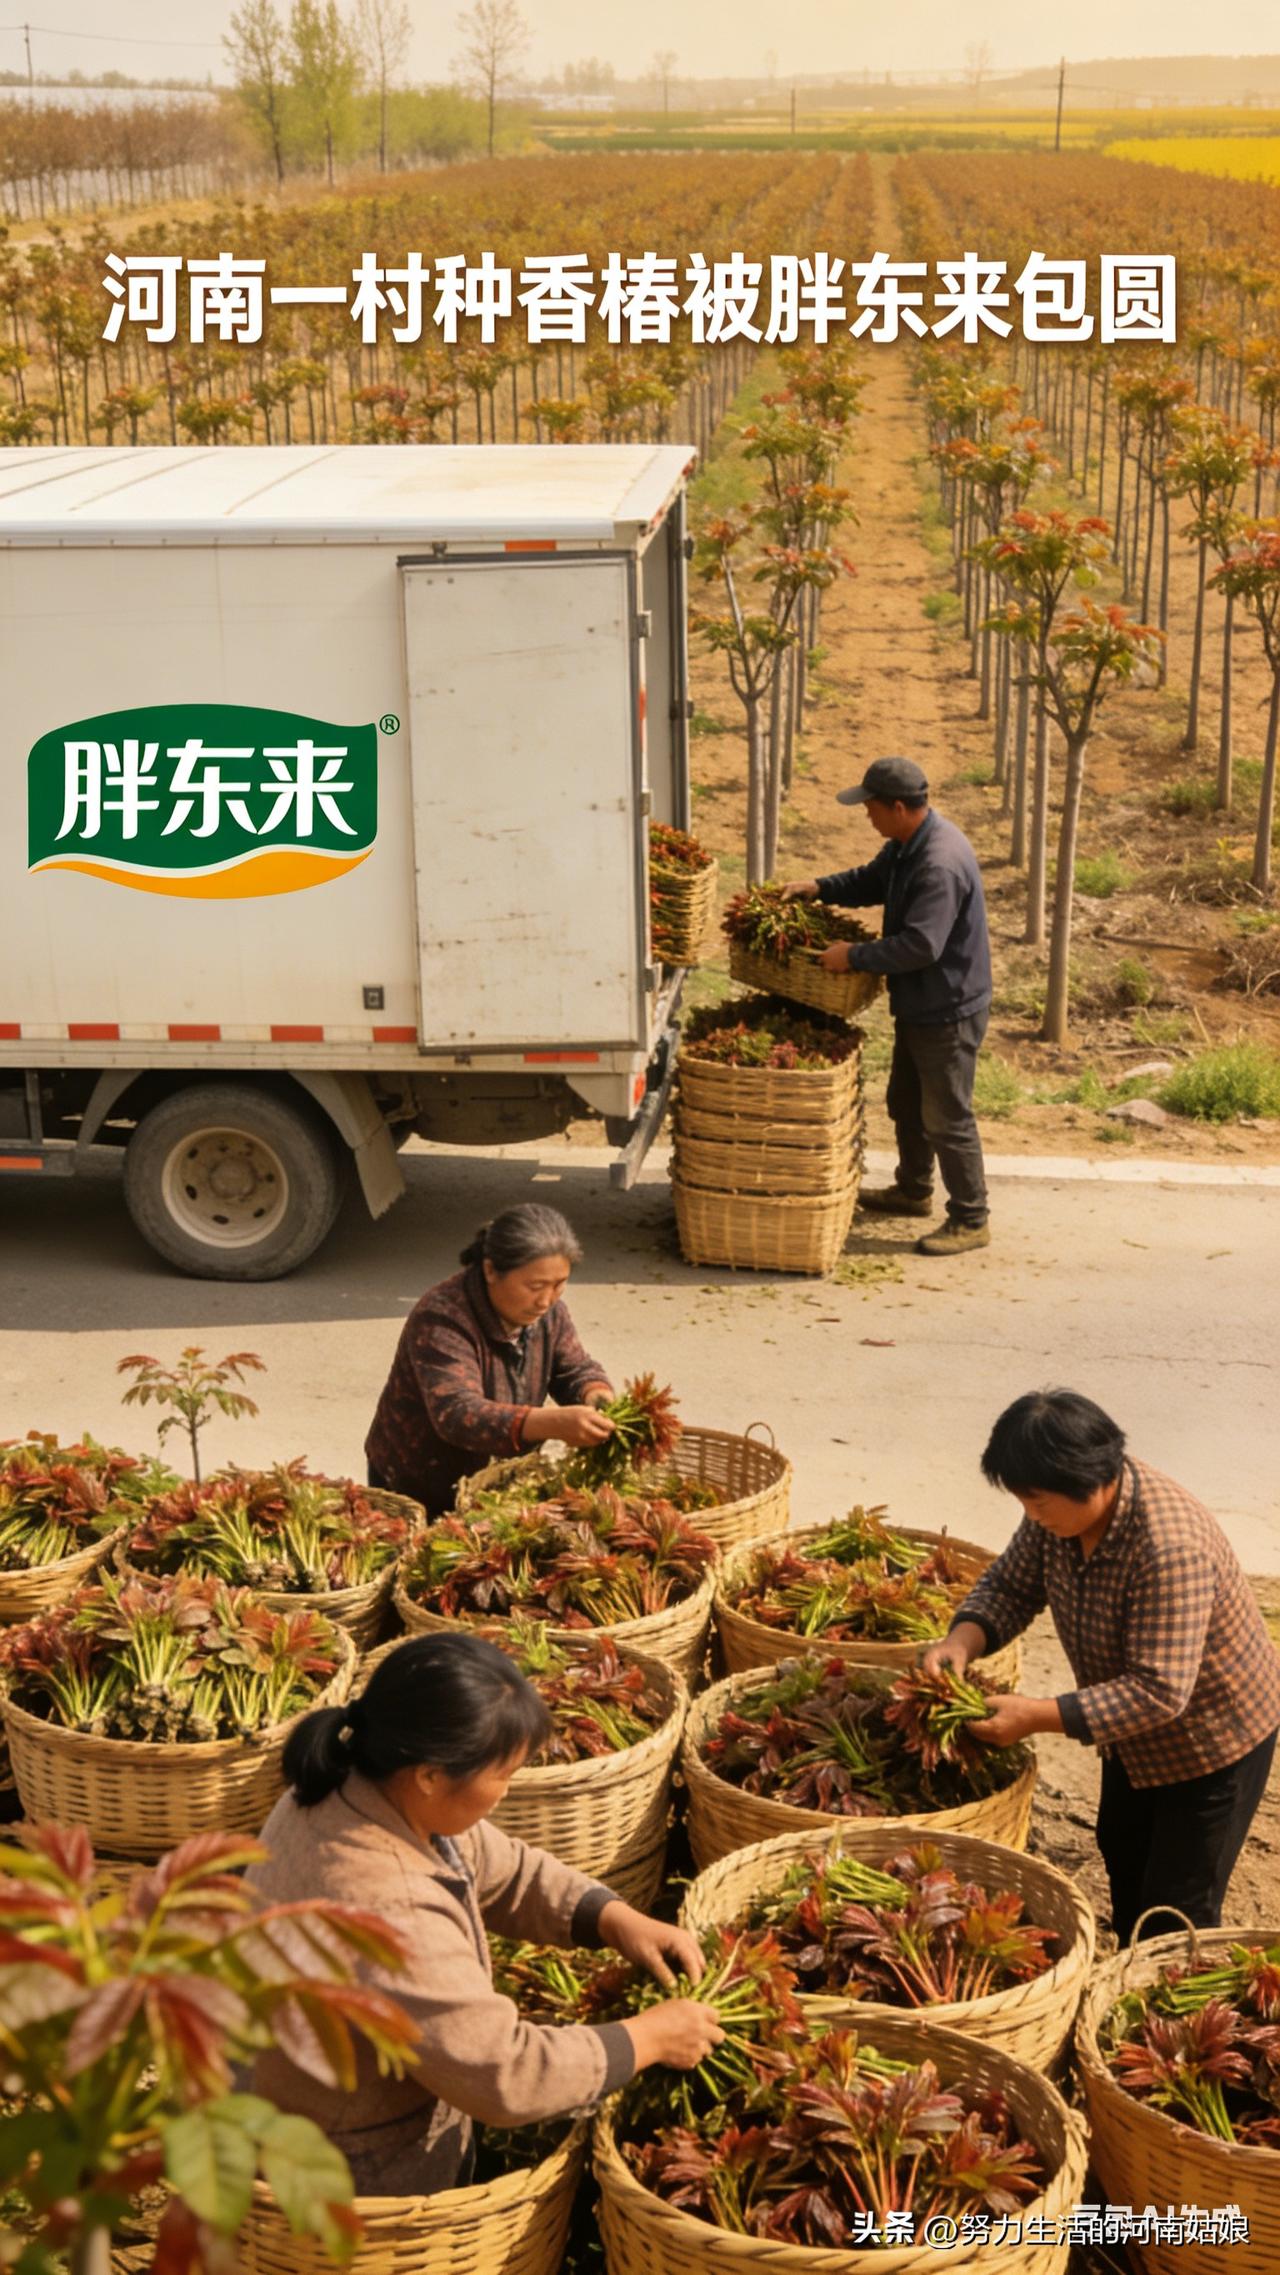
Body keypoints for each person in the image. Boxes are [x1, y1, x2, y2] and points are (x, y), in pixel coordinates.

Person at [248, 1631, 723, 2194]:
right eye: (503, 1774)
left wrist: (610, 1917)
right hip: (351, 2169)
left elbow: (504, 1868)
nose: (506, 1792)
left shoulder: (357, 1783)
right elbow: (505, 2075)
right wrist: (649, 2038)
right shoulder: (387, 1903)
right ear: (430, 1774)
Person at [922, 1390, 1280, 1944]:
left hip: (1212, 1741)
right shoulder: (1056, 1518)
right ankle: (1134, 1957)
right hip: (1131, 1734)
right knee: (1122, 1847)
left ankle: (1163, 1971)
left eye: (1037, 1502)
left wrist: (1035, 1716)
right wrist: (962, 1641)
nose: (1030, 1515)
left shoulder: (1168, 1546)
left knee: (1177, 1902)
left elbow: (1158, 1691)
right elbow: (1011, 1585)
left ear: (1087, 1480)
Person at [786, 755, 993, 1259]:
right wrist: (819, 888)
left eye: (871, 807)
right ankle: (913, 1190)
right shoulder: (906, 845)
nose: (867, 815)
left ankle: (971, 1218)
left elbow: (922, 945)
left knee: (947, 1116)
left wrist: (853, 956)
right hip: (921, 1003)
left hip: (947, 1008)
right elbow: (870, 880)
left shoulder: (938, 862)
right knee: (906, 1101)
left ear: (898, 807)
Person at [365, 1203, 615, 1515]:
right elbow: (458, 1414)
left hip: (490, 1483)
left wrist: (596, 1394)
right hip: (420, 1482)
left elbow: (573, 1368)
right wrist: (552, 1423)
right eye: (535, 1286)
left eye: (559, 1285)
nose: (546, 1300)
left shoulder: (550, 1313)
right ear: (490, 1270)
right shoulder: (442, 1317)